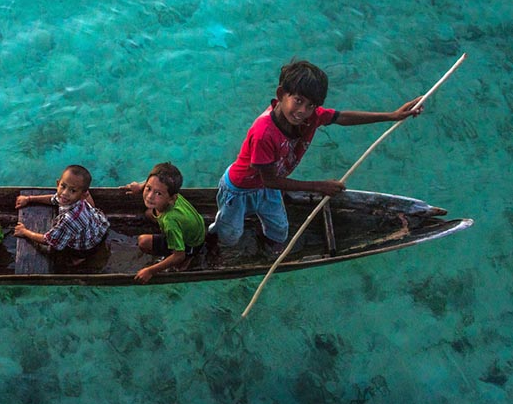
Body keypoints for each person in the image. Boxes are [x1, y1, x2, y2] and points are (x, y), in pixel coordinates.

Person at [208, 59, 423, 254]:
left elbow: (341, 117)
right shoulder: (264, 133)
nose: (303, 111)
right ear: (281, 94)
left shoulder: (311, 117)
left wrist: (391, 116)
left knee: (279, 230)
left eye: (311, 105)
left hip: (268, 188)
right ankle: (214, 237)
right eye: (298, 100)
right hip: (240, 189)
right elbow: (270, 179)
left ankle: (266, 247)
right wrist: (319, 186)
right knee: (230, 235)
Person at [120, 162, 206, 284]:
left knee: (143, 242)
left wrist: (150, 271)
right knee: (149, 213)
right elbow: (155, 183)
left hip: (191, 244)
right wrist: (140, 187)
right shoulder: (170, 193)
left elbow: (179, 255)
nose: (149, 196)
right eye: (148, 188)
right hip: (196, 227)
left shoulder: (170, 222)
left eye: (158, 193)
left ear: (172, 198)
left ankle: (189, 257)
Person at [13, 165, 110, 265]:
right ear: (58, 184)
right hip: (98, 227)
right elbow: (54, 199)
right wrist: (29, 199)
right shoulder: (74, 199)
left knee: (72, 253)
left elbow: (49, 240)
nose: (64, 193)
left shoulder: (69, 219)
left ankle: (80, 258)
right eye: (63, 186)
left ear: (82, 195)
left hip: (88, 245)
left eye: (73, 190)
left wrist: (24, 232)